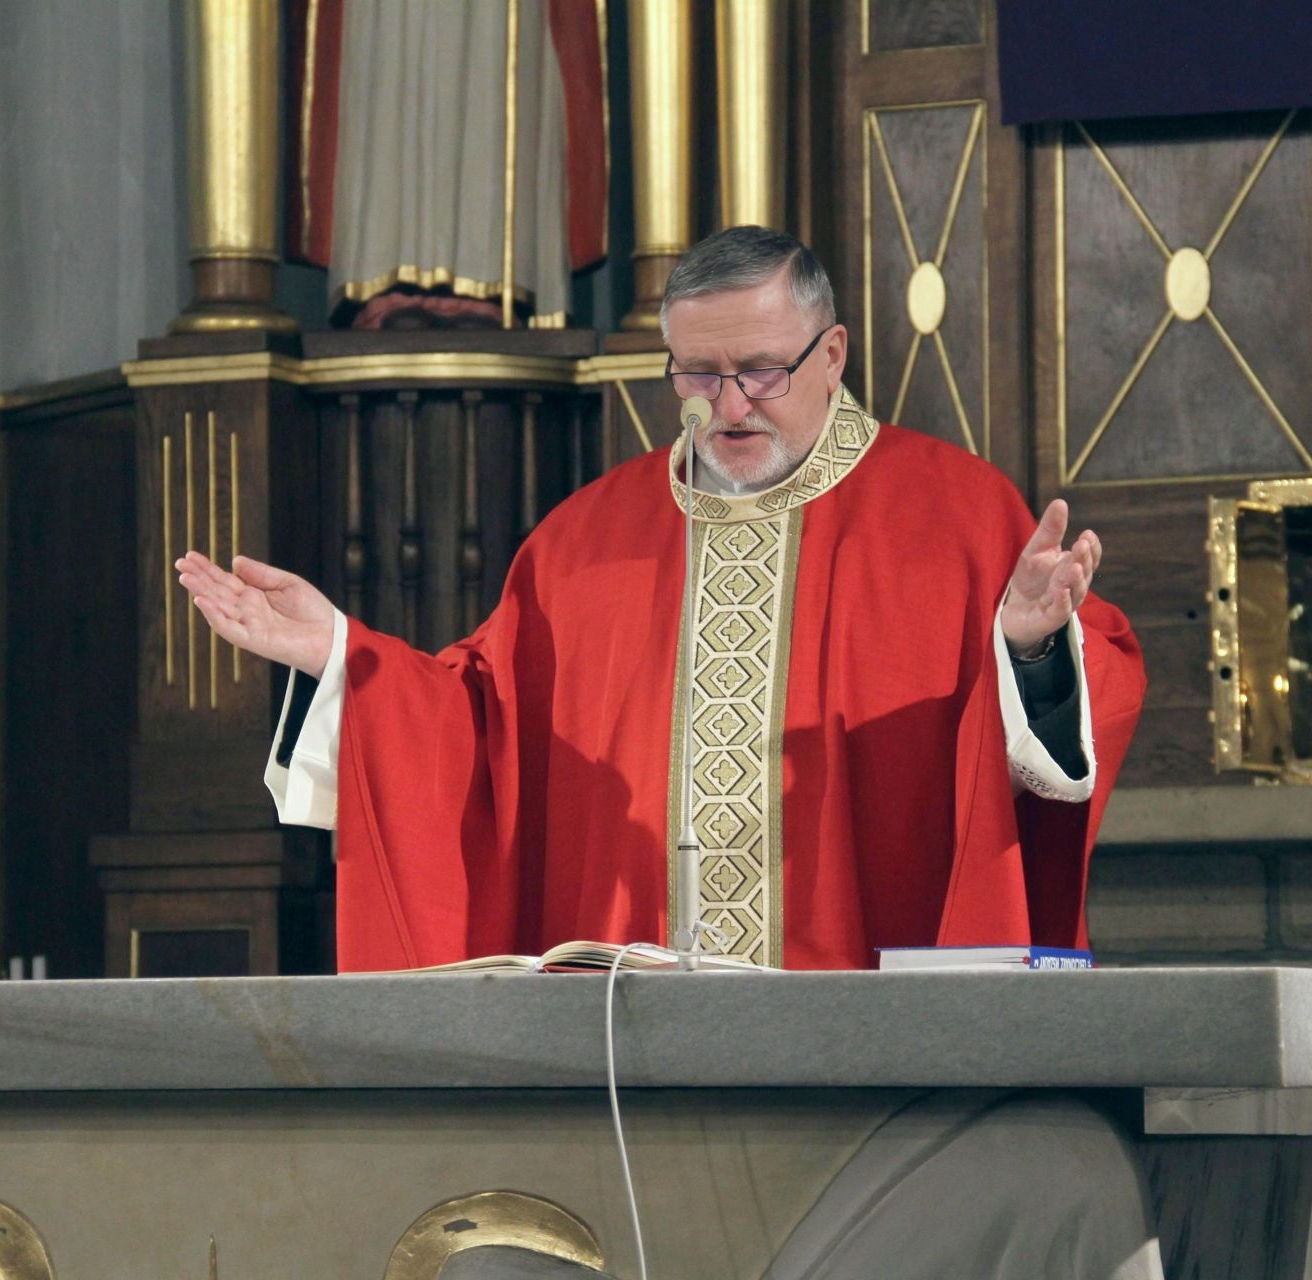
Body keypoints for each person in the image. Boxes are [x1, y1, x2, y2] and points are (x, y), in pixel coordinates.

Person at [176, 226, 1144, 971]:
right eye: (698, 373)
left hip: (862, 1025)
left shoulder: (955, 516)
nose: (729, 405)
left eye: (762, 370)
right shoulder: (584, 542)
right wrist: (344, 658)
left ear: (834, 353)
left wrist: (1029, 651)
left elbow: (1068, 726)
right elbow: (478, 731)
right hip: (629, 1043)